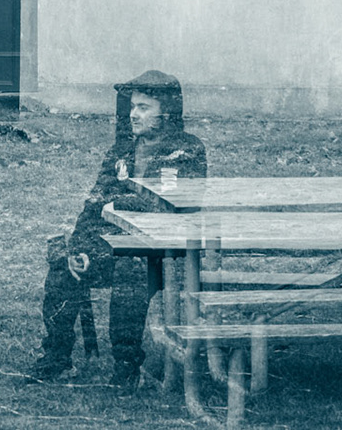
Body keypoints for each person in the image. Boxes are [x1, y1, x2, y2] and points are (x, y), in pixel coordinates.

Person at [27, 69, 207, 385]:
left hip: (166, 256)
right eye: (132, 106)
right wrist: (80, 248)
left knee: (130, 267)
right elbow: (94, 204)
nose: (133, 114)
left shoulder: (187, 150)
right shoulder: (121, 151)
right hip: (117, 247)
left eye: (143, 108)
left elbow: (171, 207)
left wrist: (122, 202)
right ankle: (56, 358)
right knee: (62, 265)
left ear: (166, 112)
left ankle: (126, 366)